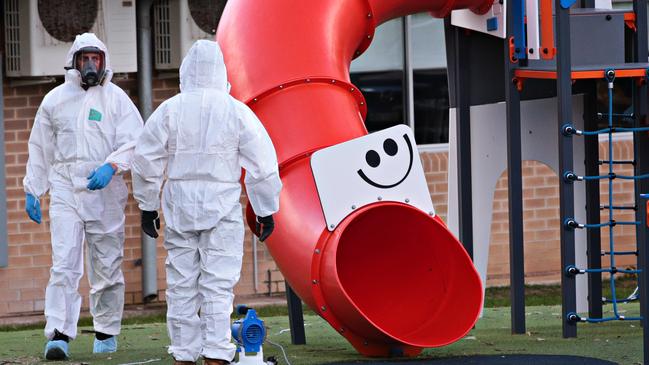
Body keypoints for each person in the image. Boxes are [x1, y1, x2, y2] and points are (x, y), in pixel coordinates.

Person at [131, 40, 281, 365]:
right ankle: (216, 355)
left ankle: (184, 355)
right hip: (222, 208)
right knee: (217, 286)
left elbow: (145, 159)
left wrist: (147, 205)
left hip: (179, 206)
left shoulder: (170, 109)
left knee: (182, 285)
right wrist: (265, 209)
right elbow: (264, 166)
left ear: (186, 70)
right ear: (221, 70)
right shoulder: (237, 111)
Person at [23, 33, 144, 360]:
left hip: (104, 191)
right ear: (75, 62)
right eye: (85, 59)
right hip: (64, 190)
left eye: (96, 59)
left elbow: (136, 141)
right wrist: (34, 188)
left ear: (104, 61)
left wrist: (111, 166)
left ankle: (105, 331)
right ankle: (59, 334)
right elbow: (40, 148)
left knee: (106, 264)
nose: (91, 65)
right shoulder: (55, 100)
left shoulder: (116, 99)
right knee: (64, 265)